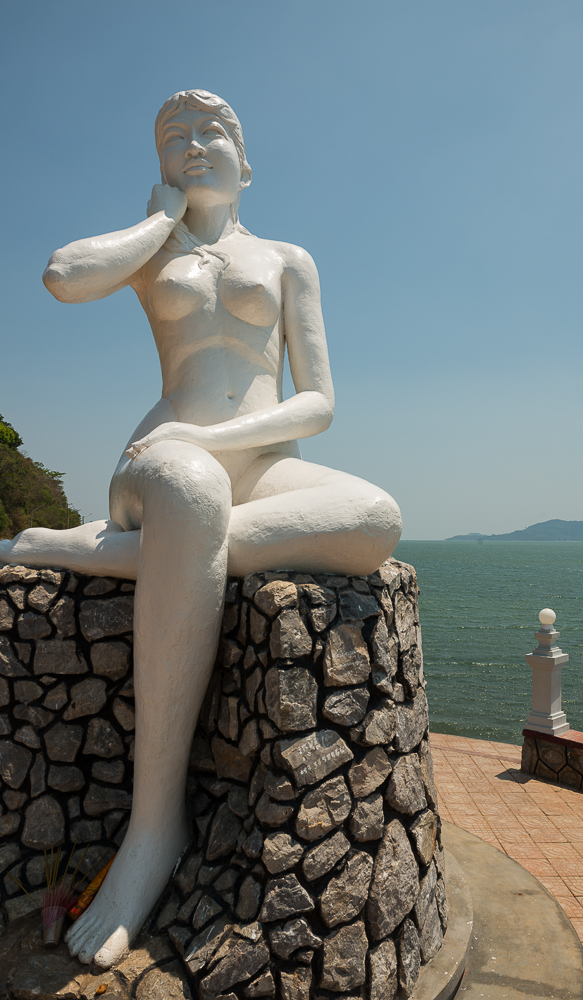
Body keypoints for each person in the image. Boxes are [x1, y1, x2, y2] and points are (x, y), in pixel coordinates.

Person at [0, 90, 401, 967]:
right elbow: (63, 277)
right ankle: (154, 827)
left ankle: (74, 551)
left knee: (374, 516)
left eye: (210, 133)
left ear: (246, 159)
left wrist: (213, 438)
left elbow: (318, 402)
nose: (191, 144)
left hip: (252, 460)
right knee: (190, 495)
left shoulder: (289, 257)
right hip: (157, 465)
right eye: (172, 137)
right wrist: (160, 222)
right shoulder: (154, 252)